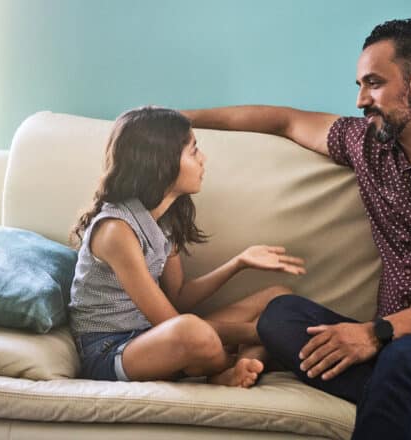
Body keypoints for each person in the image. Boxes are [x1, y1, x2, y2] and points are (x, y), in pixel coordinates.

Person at [182, 18, 411, 439]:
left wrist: (376, 333)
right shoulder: (367, 144)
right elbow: (284, 121)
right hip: (395, 341)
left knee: (403, 360)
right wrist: (174, 118)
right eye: (359, 84)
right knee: (279, 317)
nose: (359, 100)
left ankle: (403, 392)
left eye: (373, 83)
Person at [68, 106, 306, 388]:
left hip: (153, 336)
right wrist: (260, 333)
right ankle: (228, 365)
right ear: (162, 162)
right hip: (112, 351)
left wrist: (239, 262)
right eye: (193, 151)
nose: (203, 159)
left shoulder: (164, 219)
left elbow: (180, 296)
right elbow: (169, 321)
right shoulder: (116, 231)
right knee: (191, 331)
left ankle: (233, 366)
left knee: (278, 298)